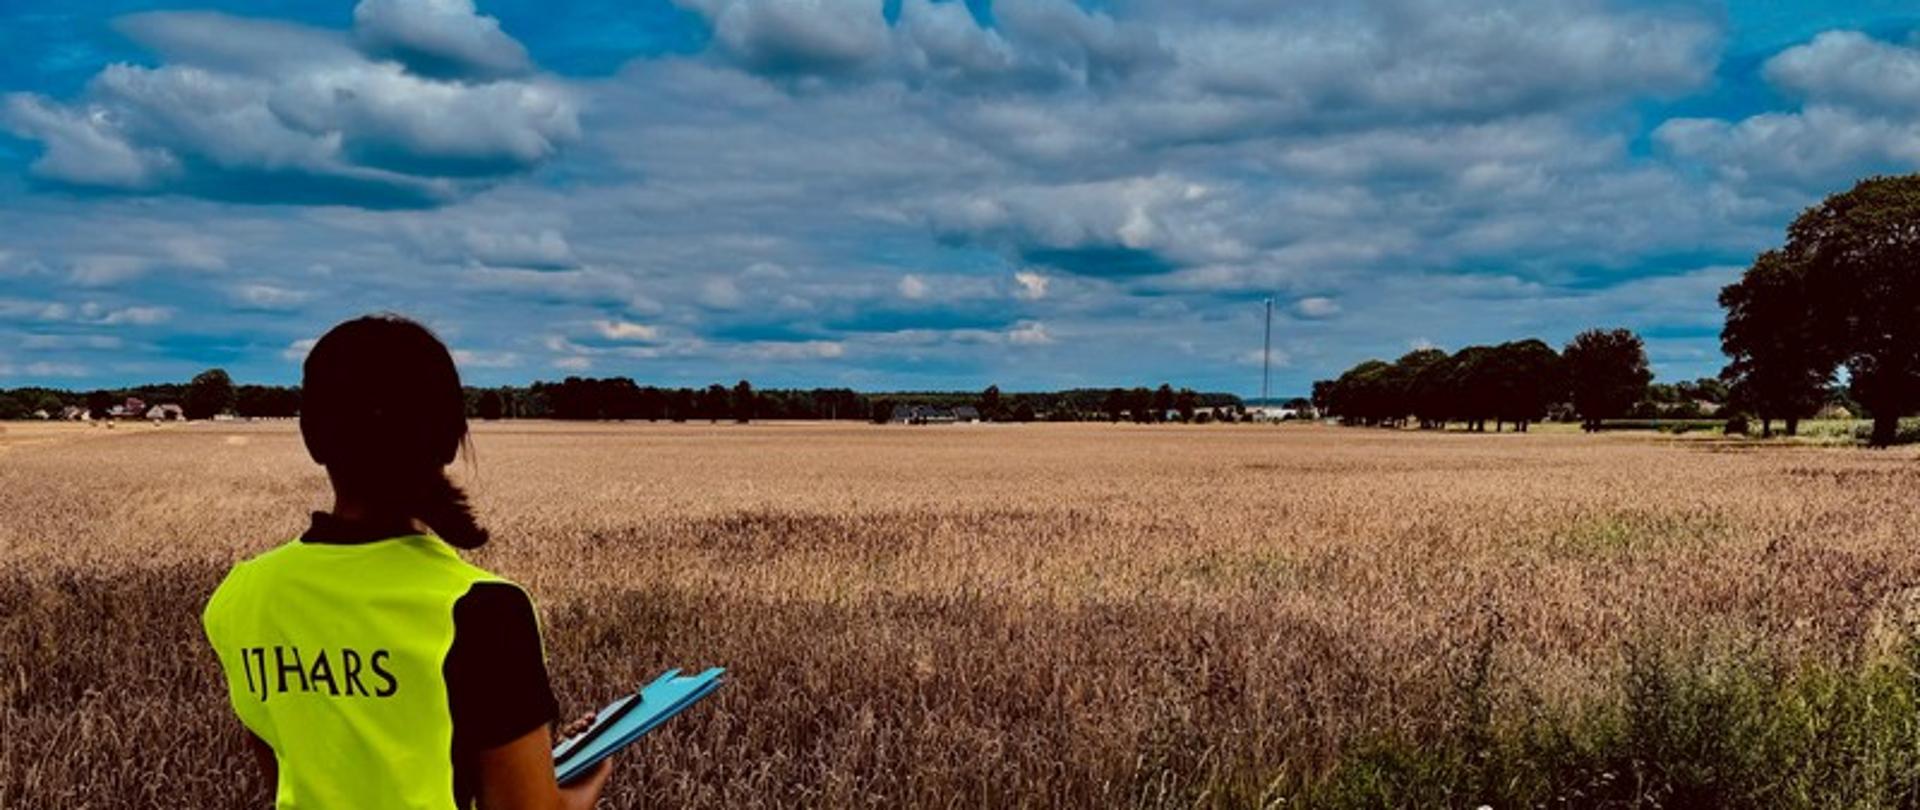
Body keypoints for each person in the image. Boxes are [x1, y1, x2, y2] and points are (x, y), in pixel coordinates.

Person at [202, 314, 612, 809]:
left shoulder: (242, 596)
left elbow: (293, 778)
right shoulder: (482, 610)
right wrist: (584, 781)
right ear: (449, 440)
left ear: (312, 437)